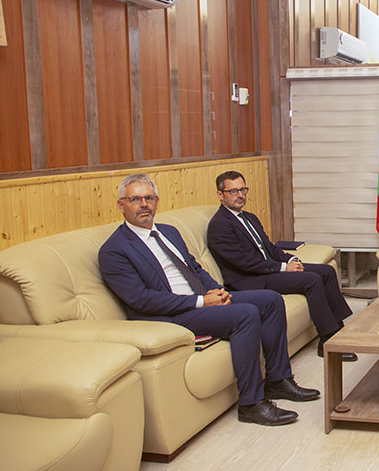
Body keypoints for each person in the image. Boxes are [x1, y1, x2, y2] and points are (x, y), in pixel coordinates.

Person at [98, 174, 318, 426]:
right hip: (168, 315)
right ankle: (251, 404)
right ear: (121, 205)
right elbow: (143, 300)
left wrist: (218, 291)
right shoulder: (114, 250)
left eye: (148, 198)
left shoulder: (169, 232)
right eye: (135, 199)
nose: (143, 205)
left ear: (157, 201)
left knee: (270, 300)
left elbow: (194, 268)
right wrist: (203, 301)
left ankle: (278, 380)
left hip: (200, 300)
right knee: (245, 314)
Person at [206, 171, 356, 362]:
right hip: (250, 279)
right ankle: (327, 341)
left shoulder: (250, 217)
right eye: (234, 191)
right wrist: (283, 267)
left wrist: (291, 260)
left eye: (243, 190)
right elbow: (243, 263)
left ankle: (339, 331)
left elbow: (270, 247)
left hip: (266, 269)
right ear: (220, 195)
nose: (240, 195)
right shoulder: (219, 225)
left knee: (326, 271)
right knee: (311, 280)